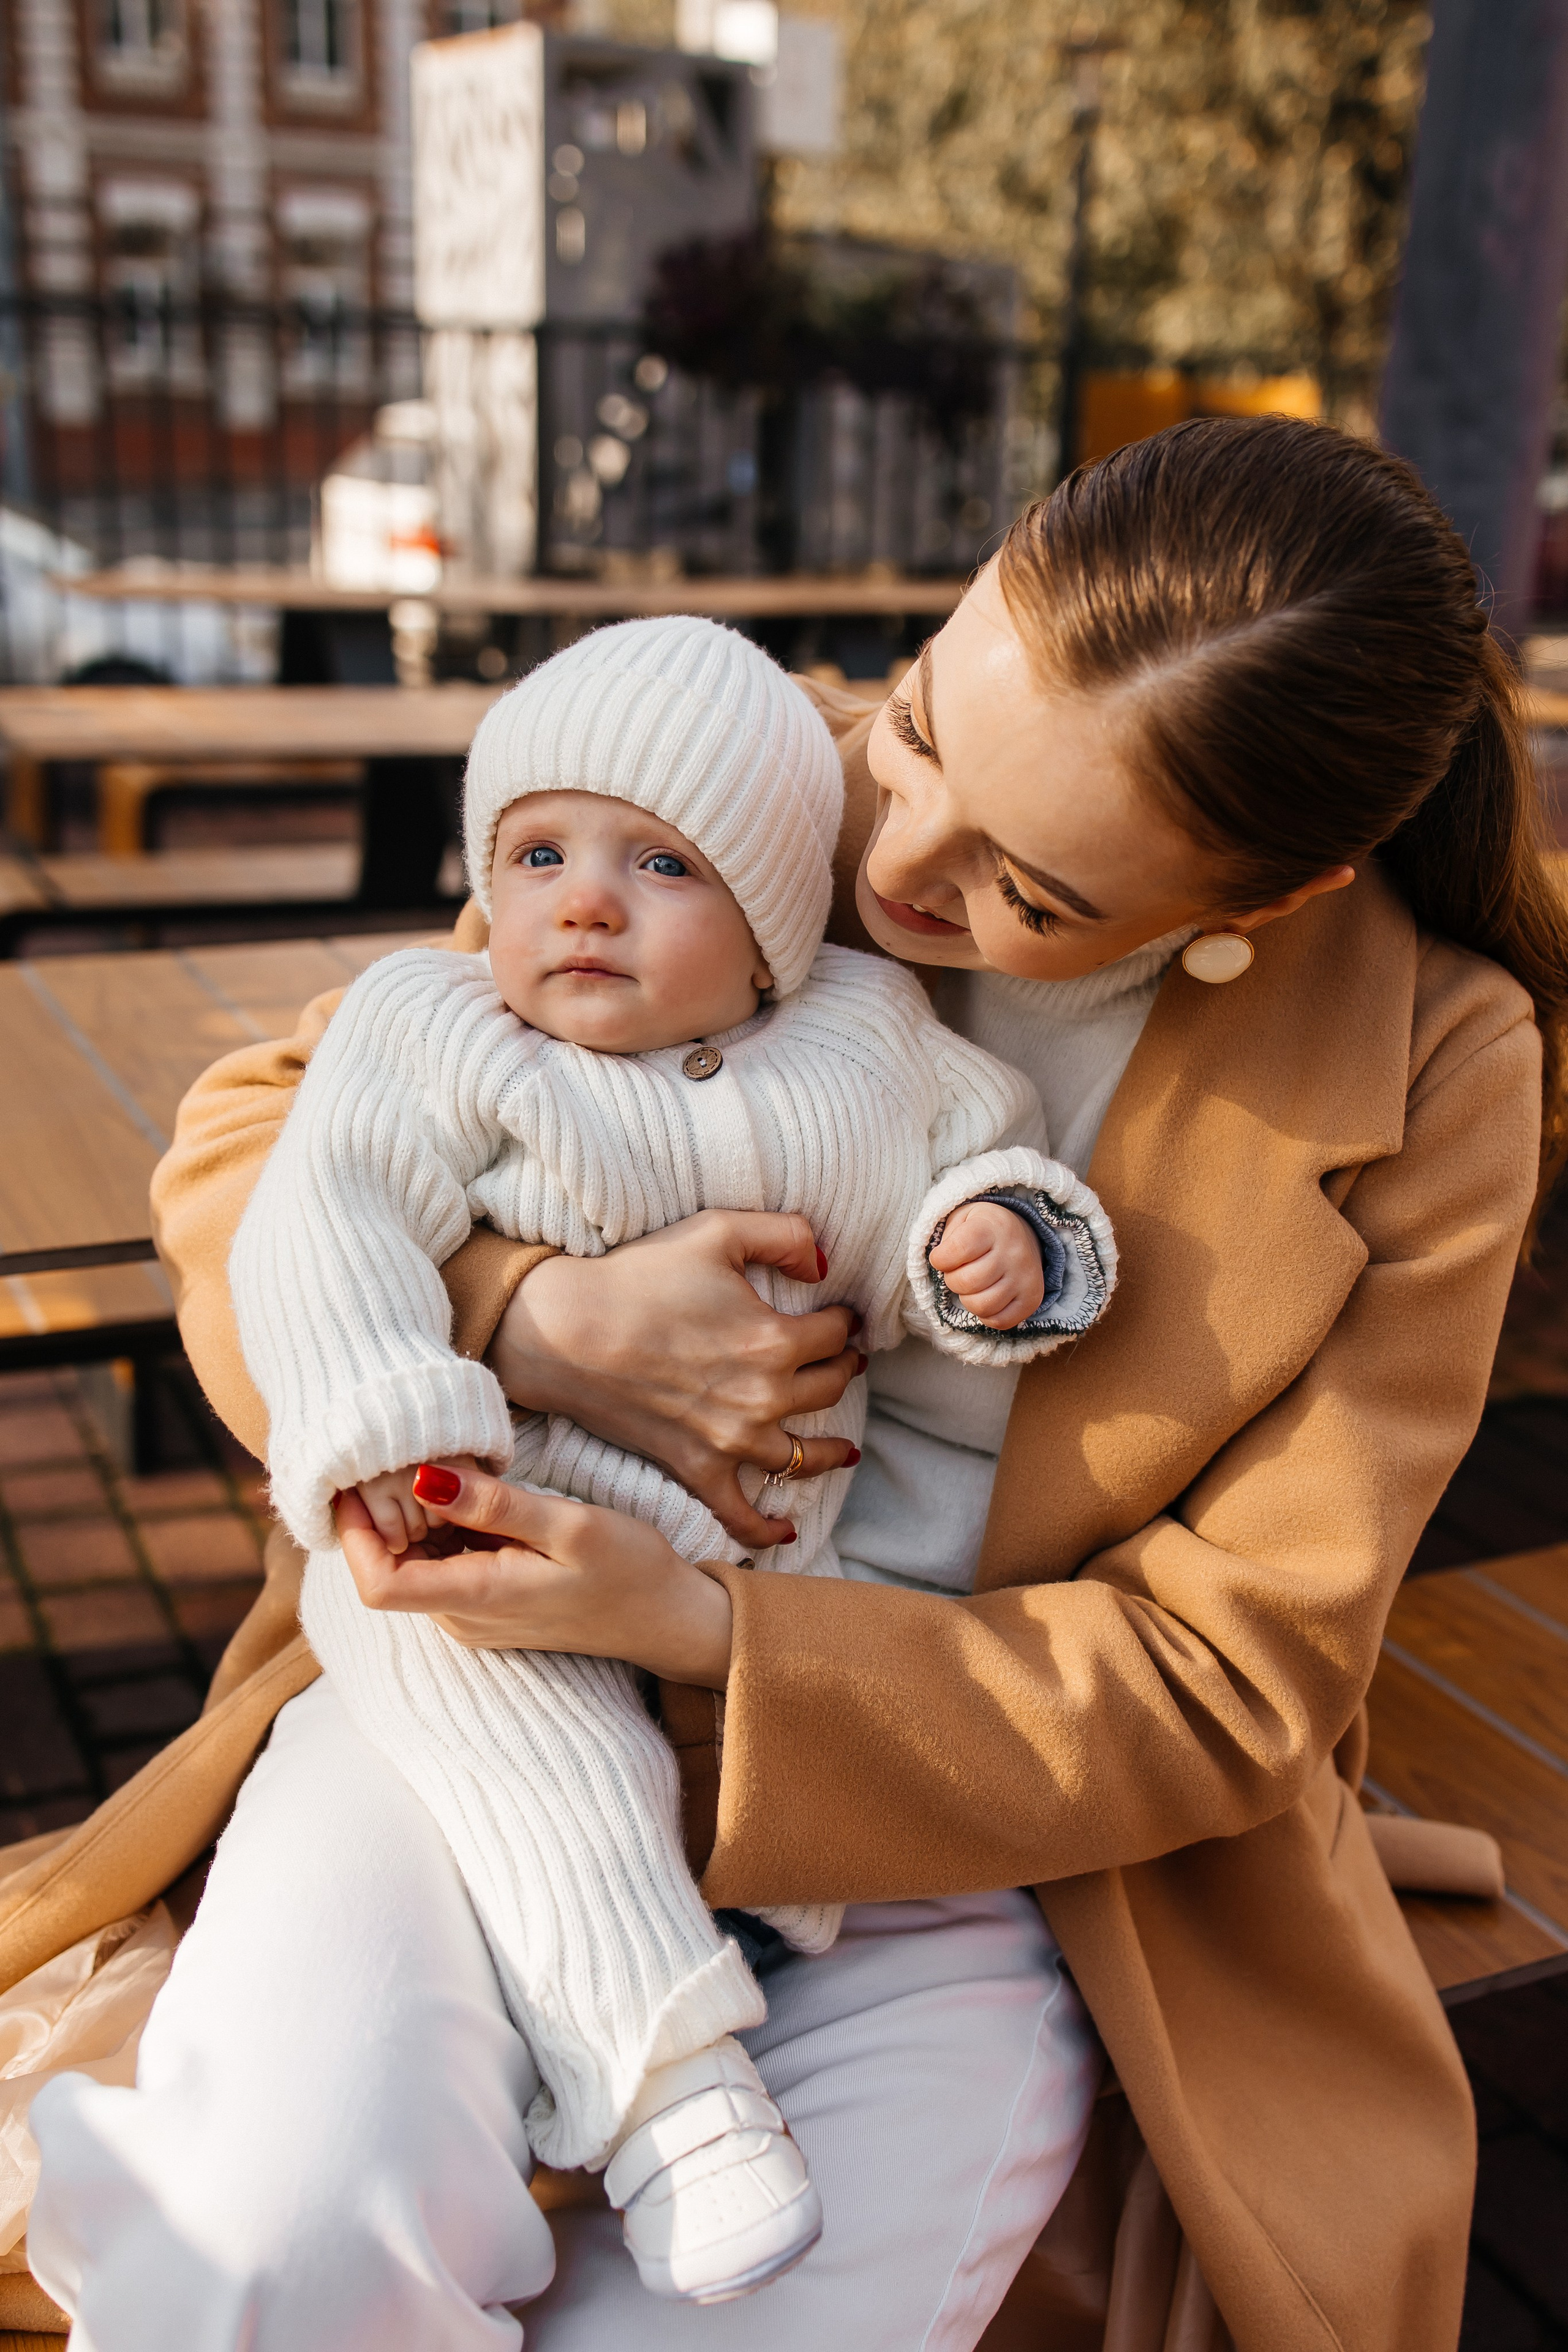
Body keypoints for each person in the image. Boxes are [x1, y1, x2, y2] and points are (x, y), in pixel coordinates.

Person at [17, 415, 1567, 2352]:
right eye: (920, 731)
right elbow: (290, 1124)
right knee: (267, 2252)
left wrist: (703, 1633)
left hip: (971, 1820)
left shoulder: (1434, 1064)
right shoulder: (750, 773)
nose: (890, 860)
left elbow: (1231, 1678)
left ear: (1266, 900)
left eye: (1031, 894)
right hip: (479, 1680)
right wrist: (529, 1315)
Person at [225, 614, 1114, 2305]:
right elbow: (315, 1222)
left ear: (772, 926)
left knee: (737, 1823)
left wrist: (997, 1245)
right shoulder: (433, 1029)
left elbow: (977, 1161)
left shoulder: (871, 1033)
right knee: (539, 1763)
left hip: (767, 1599)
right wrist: (399, 1420)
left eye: (661, 865)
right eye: (538, 855)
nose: (584, 903)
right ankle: (668, 2092)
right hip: (475, 1552)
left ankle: (710, 1964)